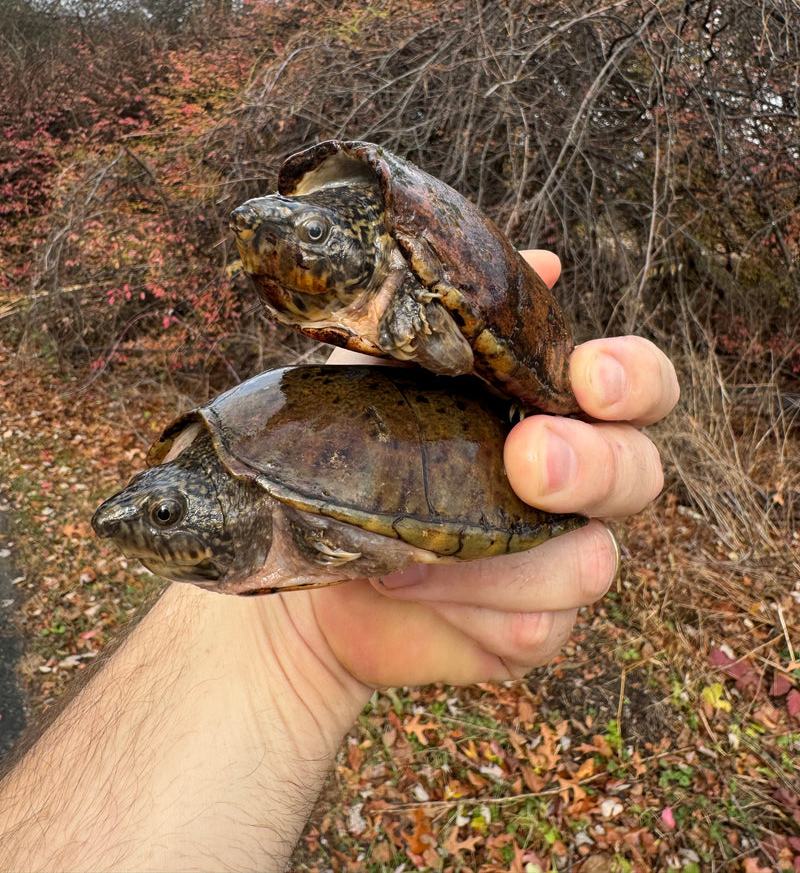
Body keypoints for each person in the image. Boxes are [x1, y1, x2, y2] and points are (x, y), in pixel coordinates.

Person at [0, 251, 679, 873]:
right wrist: (294, 644)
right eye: (160, 508)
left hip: (481, 460)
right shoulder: (265, 501)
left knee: (553, 462)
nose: (134, 523)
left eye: (166, 513)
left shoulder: (297, 488)